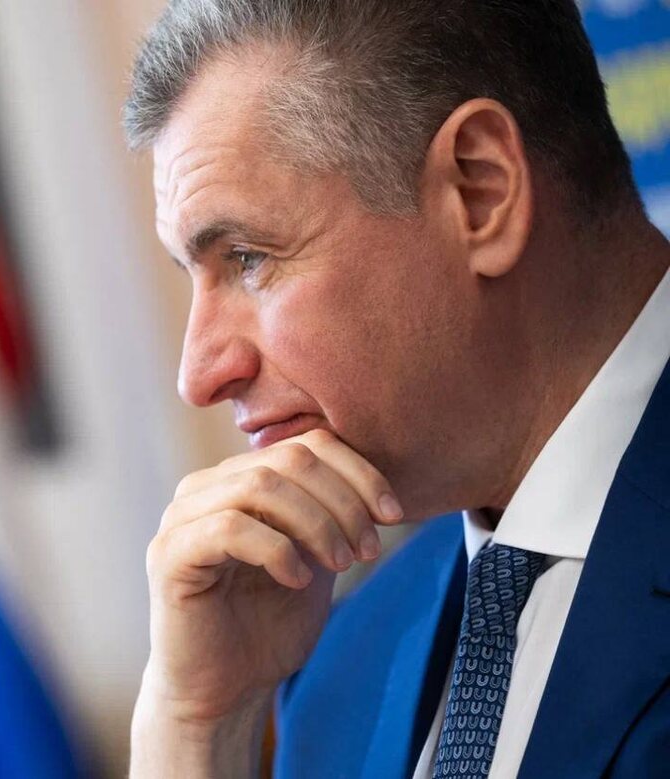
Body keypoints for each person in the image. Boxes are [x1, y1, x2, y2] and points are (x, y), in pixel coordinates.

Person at [122, 1, 670, 777]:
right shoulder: (338, 666)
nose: (199, 374)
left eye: (248, 258)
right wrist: (197, 726)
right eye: (193, 276)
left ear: (479, 190)